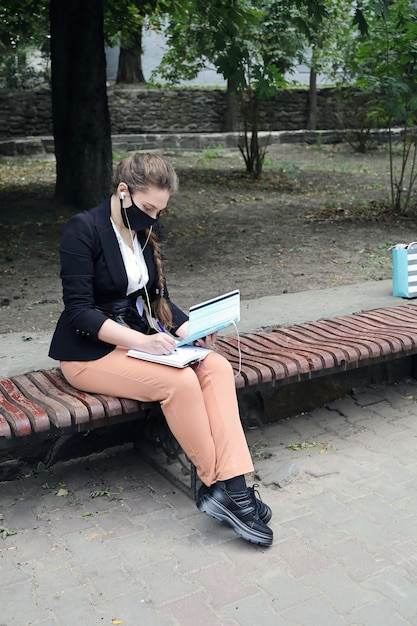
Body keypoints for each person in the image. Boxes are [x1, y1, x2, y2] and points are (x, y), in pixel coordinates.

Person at [49, 152, 273, 546]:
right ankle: (221, 486)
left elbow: (155, 299)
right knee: (182, 384)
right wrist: (145, 342)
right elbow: (79, 313)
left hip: (136, 344)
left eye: (160, 210)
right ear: (123, 192)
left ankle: (231, 488)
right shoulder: (82, 230)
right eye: (148, 207)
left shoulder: (142, 232)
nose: (153, 218)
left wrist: (192, 328)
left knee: (216, 367)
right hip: (89, 354)